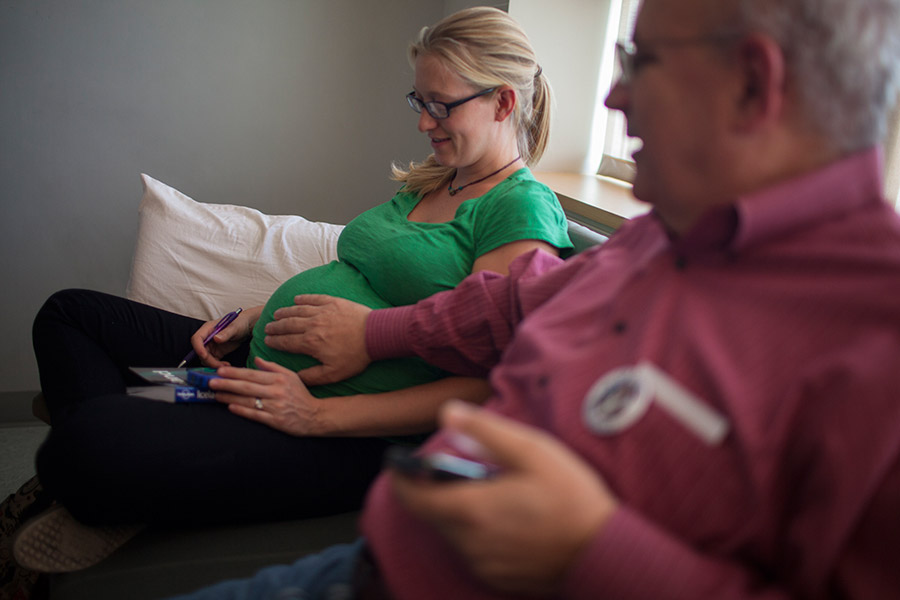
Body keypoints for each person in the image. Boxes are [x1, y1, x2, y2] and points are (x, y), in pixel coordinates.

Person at [164, 0, 900, 598]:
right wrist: (376, 334)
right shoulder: (656, 239)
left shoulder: (875, 339)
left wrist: (595, 551)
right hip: (368, 565)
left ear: (752, 83)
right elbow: (510, 305)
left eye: (639, 63)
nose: (613, 96)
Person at [13, 6, 572, 572]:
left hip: (342, 430)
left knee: (81, 443)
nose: (424, 122)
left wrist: (314, 416)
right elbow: (363, 275)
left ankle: (127, 473)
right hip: (261, 367)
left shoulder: (518, 206)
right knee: (70, 315)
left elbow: (493, 385)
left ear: (503, 102)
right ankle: (141, 475)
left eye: (441, 105)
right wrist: (258, 315)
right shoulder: (436, 179)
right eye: (418, 101)